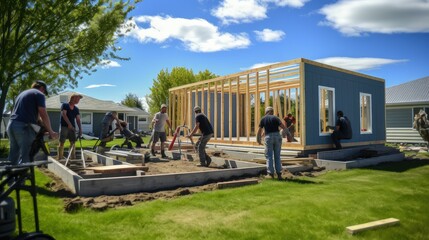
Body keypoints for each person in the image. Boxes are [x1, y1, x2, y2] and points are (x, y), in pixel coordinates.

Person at [7, 80, 58, 165]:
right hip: (24, 127)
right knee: (27, 157)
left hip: (12, 125)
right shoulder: (39, 94)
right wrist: (51, 131)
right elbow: (43, 113)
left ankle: (11, 177)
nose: (44, 93)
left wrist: (42, 128)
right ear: (42, 88)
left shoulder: (22, 94)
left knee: (13, 156)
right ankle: (22, 175)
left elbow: (37, 117)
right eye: (44, 91)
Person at [257, 106, 286, 180]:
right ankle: (279, 174)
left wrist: (258, 140)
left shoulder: (263, 118)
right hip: (277, 136)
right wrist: (288, 134)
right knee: (277, 156)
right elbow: (283, 127)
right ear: (272, 112)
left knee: (269, 156)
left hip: (268, 138)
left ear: (266, 112)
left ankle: (271, 174)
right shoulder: (275, 118)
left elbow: (259, 130)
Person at [57, 93, 83, 160]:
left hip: (72, 128)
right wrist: (69, 124)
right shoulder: (65, 105)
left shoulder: (76, 109)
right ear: (73, 98)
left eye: (79, 99)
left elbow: (78, 119)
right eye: (77, 99)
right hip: (64, 126)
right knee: (62, 142)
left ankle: (72, 157)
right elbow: (64, 115)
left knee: (73, 142)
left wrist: (80, 129)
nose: (78, 100)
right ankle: (60, 157)